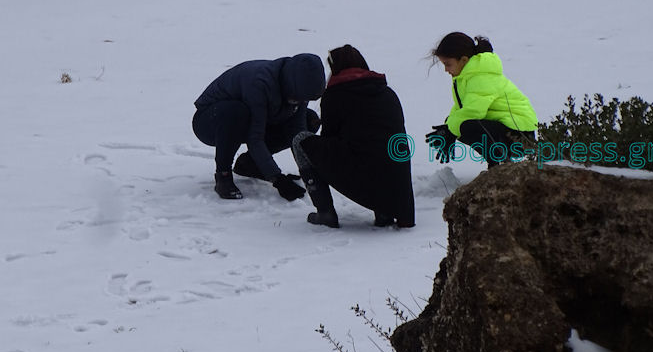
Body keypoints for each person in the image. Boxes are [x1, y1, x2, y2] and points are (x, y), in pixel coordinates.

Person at [290, 45, 415, 229]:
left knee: (300, 140)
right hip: (397, 182)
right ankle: (384, 211)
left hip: (362, 174)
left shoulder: (335, 94)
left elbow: (329, 140)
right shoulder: (387, 92)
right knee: (378, 149)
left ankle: (325, 212)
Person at [192, 53, 325, 200]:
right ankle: (223, 176)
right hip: (210, 121)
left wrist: (308, 172)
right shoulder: (259, 82)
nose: (300, 101)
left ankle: (249, 164)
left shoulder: (299, 86)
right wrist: (277, 179)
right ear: (291, 84)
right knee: (237, 112)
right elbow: (255, 137)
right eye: (299, 98)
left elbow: (297, 132)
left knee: (309, 120)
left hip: (253, 118)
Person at [426, 32, 537, 167]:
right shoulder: (466, 76)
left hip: (521, 135)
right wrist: (448, 126)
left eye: (448, 64)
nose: (445, 70)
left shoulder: (480, 77)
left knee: (466, 126)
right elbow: (461, 108)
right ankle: (498, 162)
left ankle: (499, 163)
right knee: (457, 124)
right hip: (509, 129)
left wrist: (451, 131)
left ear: (464, 60)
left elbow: (473, 112)